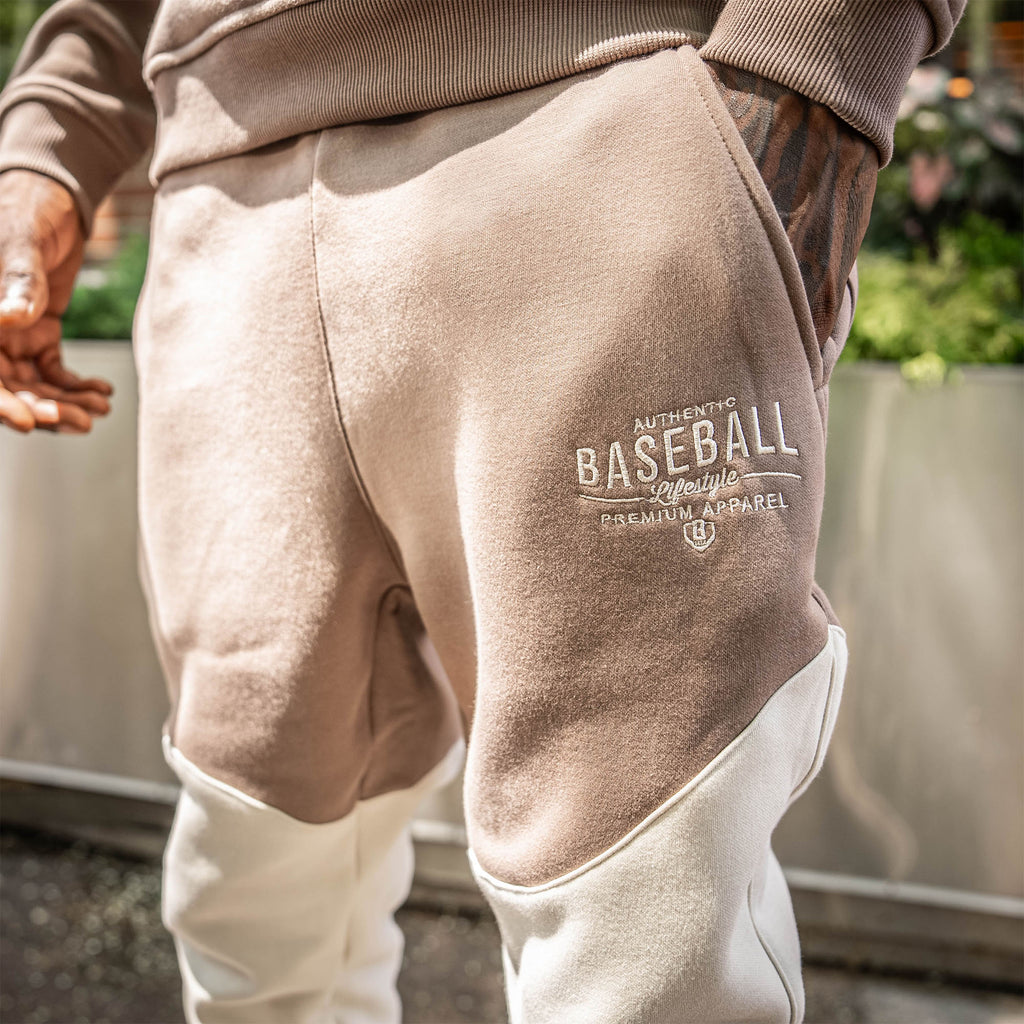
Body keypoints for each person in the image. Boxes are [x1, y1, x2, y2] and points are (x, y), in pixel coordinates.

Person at [0, 2, 965, 1021]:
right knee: (253, 916)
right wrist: (46, 146)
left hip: (592, 126)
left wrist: (816, 70)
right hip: (221, 228)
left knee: (642, 926)